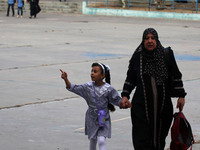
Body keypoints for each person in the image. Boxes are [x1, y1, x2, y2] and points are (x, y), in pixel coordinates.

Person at [120, 28, 187, 150]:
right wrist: (125, 96)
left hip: (162, 108)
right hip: (141, 108)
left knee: (159, 140)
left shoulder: (166, 55)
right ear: (143, 40)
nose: (150, 41)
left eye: (152, 38)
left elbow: (176, 74)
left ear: (157, 40)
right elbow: (130, 79)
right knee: (141, 140)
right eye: (147, 38)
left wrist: (181, 96)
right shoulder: (137, 57)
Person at [60, 63, 131, 150]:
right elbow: (73, 87)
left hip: (103, 116)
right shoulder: (87, 87)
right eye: (92, 71)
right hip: (91, 117)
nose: (92, 73)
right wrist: (66, 79)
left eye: (95, 71)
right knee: (92, 140)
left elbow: (117, 100)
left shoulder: (109, 89)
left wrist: (125, 104)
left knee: (101, 140)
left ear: (102, 75)